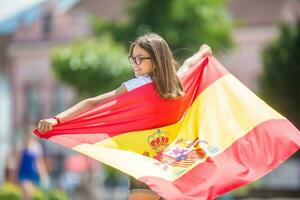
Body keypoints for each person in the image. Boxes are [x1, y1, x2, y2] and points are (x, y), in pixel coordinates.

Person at [37, 33, 212, 200]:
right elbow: (190, 64)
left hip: (146, 166)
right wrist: (203, 51)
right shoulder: (179, 84)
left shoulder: (137, 85)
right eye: (132, 58)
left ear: (157, 61)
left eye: (139, 59)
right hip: (175, 166)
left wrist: (57, 119)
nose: (134, 63)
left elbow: (92, 103)